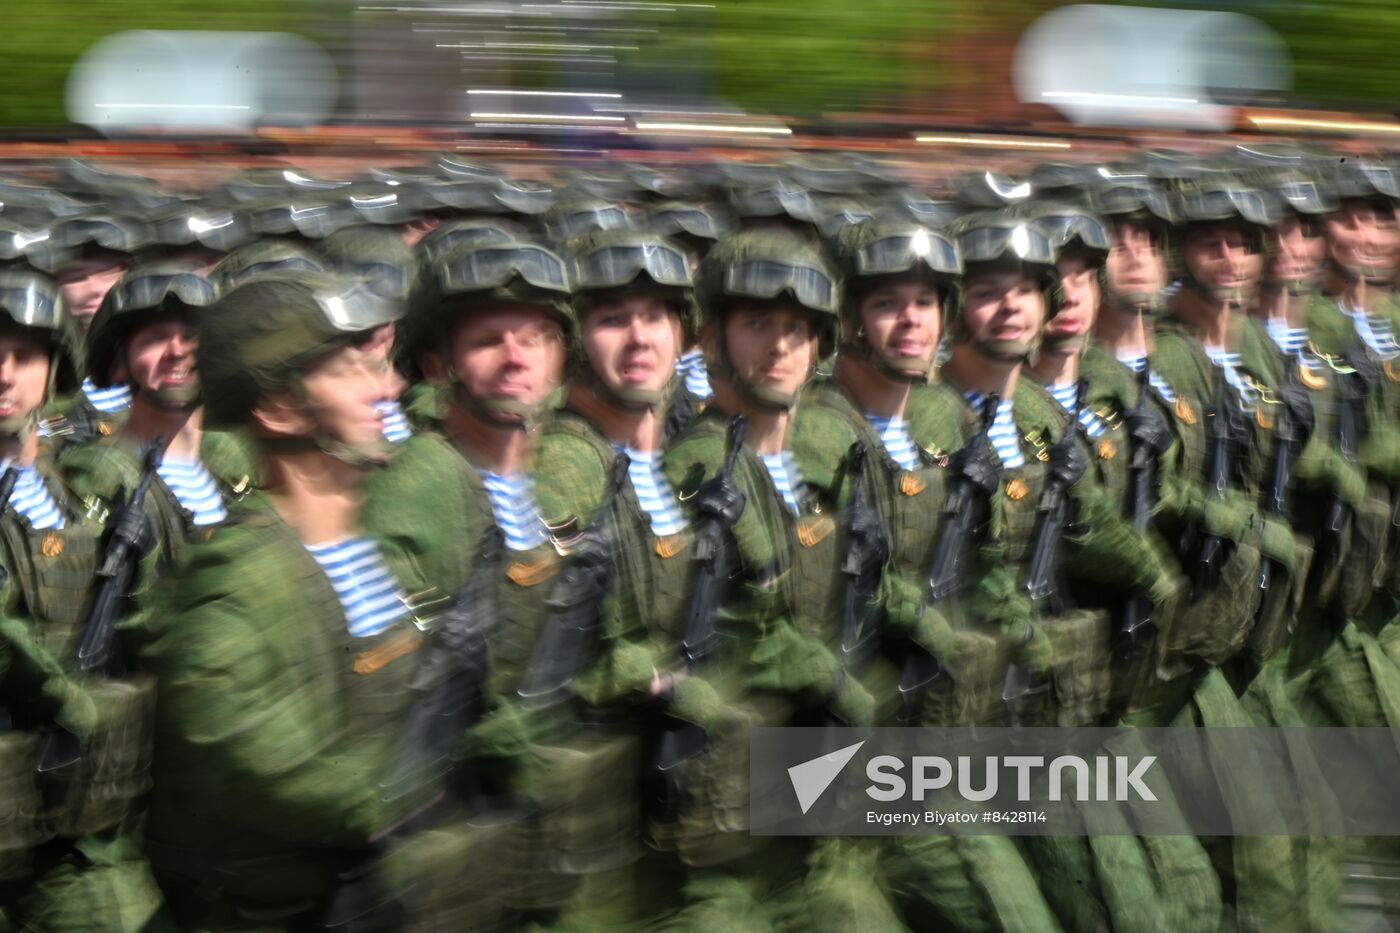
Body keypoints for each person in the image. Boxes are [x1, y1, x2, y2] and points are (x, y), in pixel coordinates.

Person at [138, 272, 498, 929]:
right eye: (349, 370)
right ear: (280, 407)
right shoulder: (237, 583)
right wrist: (424, 786)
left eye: (378, 364)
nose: (386, 387)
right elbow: (261, 757)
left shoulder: (369, 553)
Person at [0, 270, 167, 932]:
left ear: (54, 371)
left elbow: (143, 619)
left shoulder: (80, 492)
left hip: (80, 823)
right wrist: (70, 701)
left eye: (25, 356)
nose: (3, 374)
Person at [59, 264, 251, 613]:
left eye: (193, 336)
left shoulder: (239, 460)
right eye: (155, 338)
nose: (177, 351)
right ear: (120, 363)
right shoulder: (97, 477)